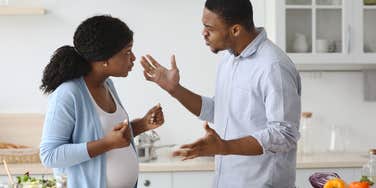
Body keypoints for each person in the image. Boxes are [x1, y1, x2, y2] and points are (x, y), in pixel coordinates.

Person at [140, 0, 301, 187]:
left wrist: (224, 147)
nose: (204, 33)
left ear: (235, 30)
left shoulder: (273, 66)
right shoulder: (229, 59)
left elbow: (284, 134)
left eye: (210, 28)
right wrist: (175, 89)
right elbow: (218, 110)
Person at [39, 15, 164, 188]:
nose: (133, 58)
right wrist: (107, 144)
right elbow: (49, 155)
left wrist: (142, 124)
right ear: (104, 59)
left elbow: (111, 136)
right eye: (127, 52)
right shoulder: (68, 93)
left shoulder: (107, 85)